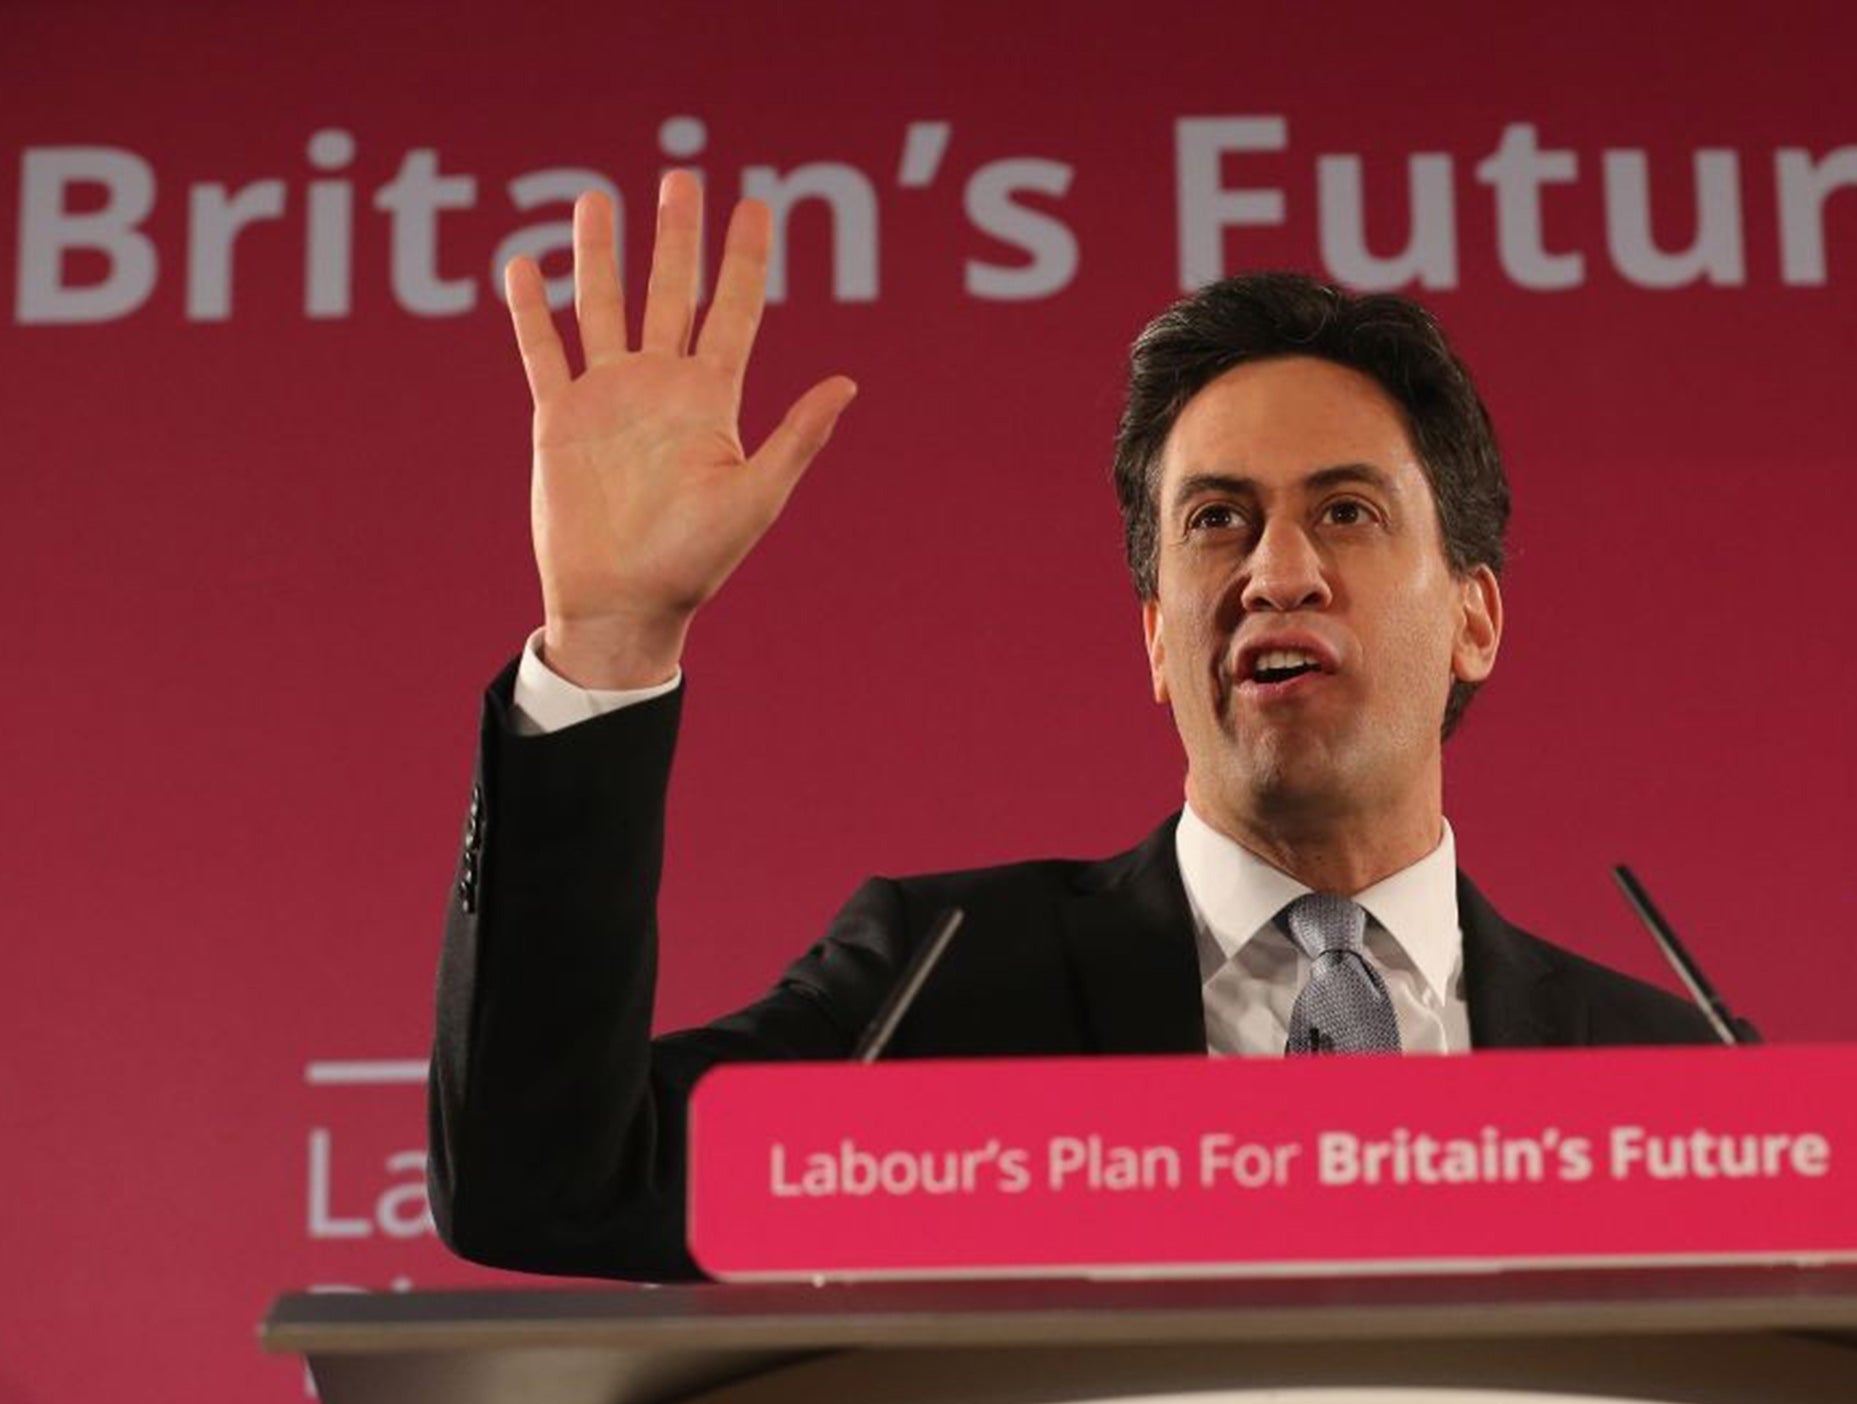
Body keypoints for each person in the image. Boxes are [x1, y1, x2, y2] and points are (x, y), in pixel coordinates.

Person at [429, 174, 1721, 1282]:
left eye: (1345, 513)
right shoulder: (940, 994)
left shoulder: (1675, 1084)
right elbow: (551, 1185)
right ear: (1158, 637)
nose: (1277, 571)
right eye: (1216, 520)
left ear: (1476, 620)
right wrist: (608, 645)